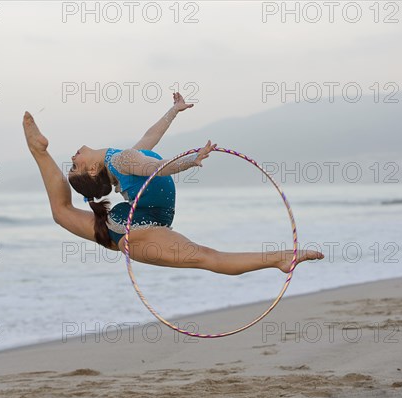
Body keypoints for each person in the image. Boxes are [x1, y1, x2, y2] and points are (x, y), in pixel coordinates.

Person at [23, 92, 324, 275]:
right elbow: (157, 168)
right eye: (74, 165)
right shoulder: (123, 160)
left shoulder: (122, 159)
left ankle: (39, 151)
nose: (74, 156)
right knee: (208, 258)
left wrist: (172, 112)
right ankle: (280, 259)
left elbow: (150, 140)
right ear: (91, 170)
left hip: (140, 224)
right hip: (141, 227)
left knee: (61, 212)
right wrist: (190, 161)